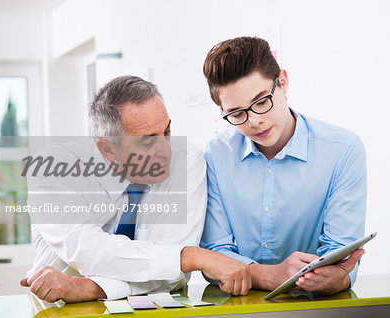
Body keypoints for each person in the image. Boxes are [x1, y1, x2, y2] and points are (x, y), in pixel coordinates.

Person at [20, 76, 252, 303]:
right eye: (148, 141)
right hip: (60, 308)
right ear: (108, 150)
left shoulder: (187, 159)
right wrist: (191, 256)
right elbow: (89, 250)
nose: (167, 151)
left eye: (167, 132)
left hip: (155, 307)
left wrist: (89, 288)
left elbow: (171, 275)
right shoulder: (50, 169)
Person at [200, 37, 367, 295]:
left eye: (261, 102)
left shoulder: (343, 150)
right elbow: (214, 255)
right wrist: (269, 276)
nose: (254, 121)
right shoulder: (213, 156)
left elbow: (340, 253)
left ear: (283, 82)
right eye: (236, 114)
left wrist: (336, 278)